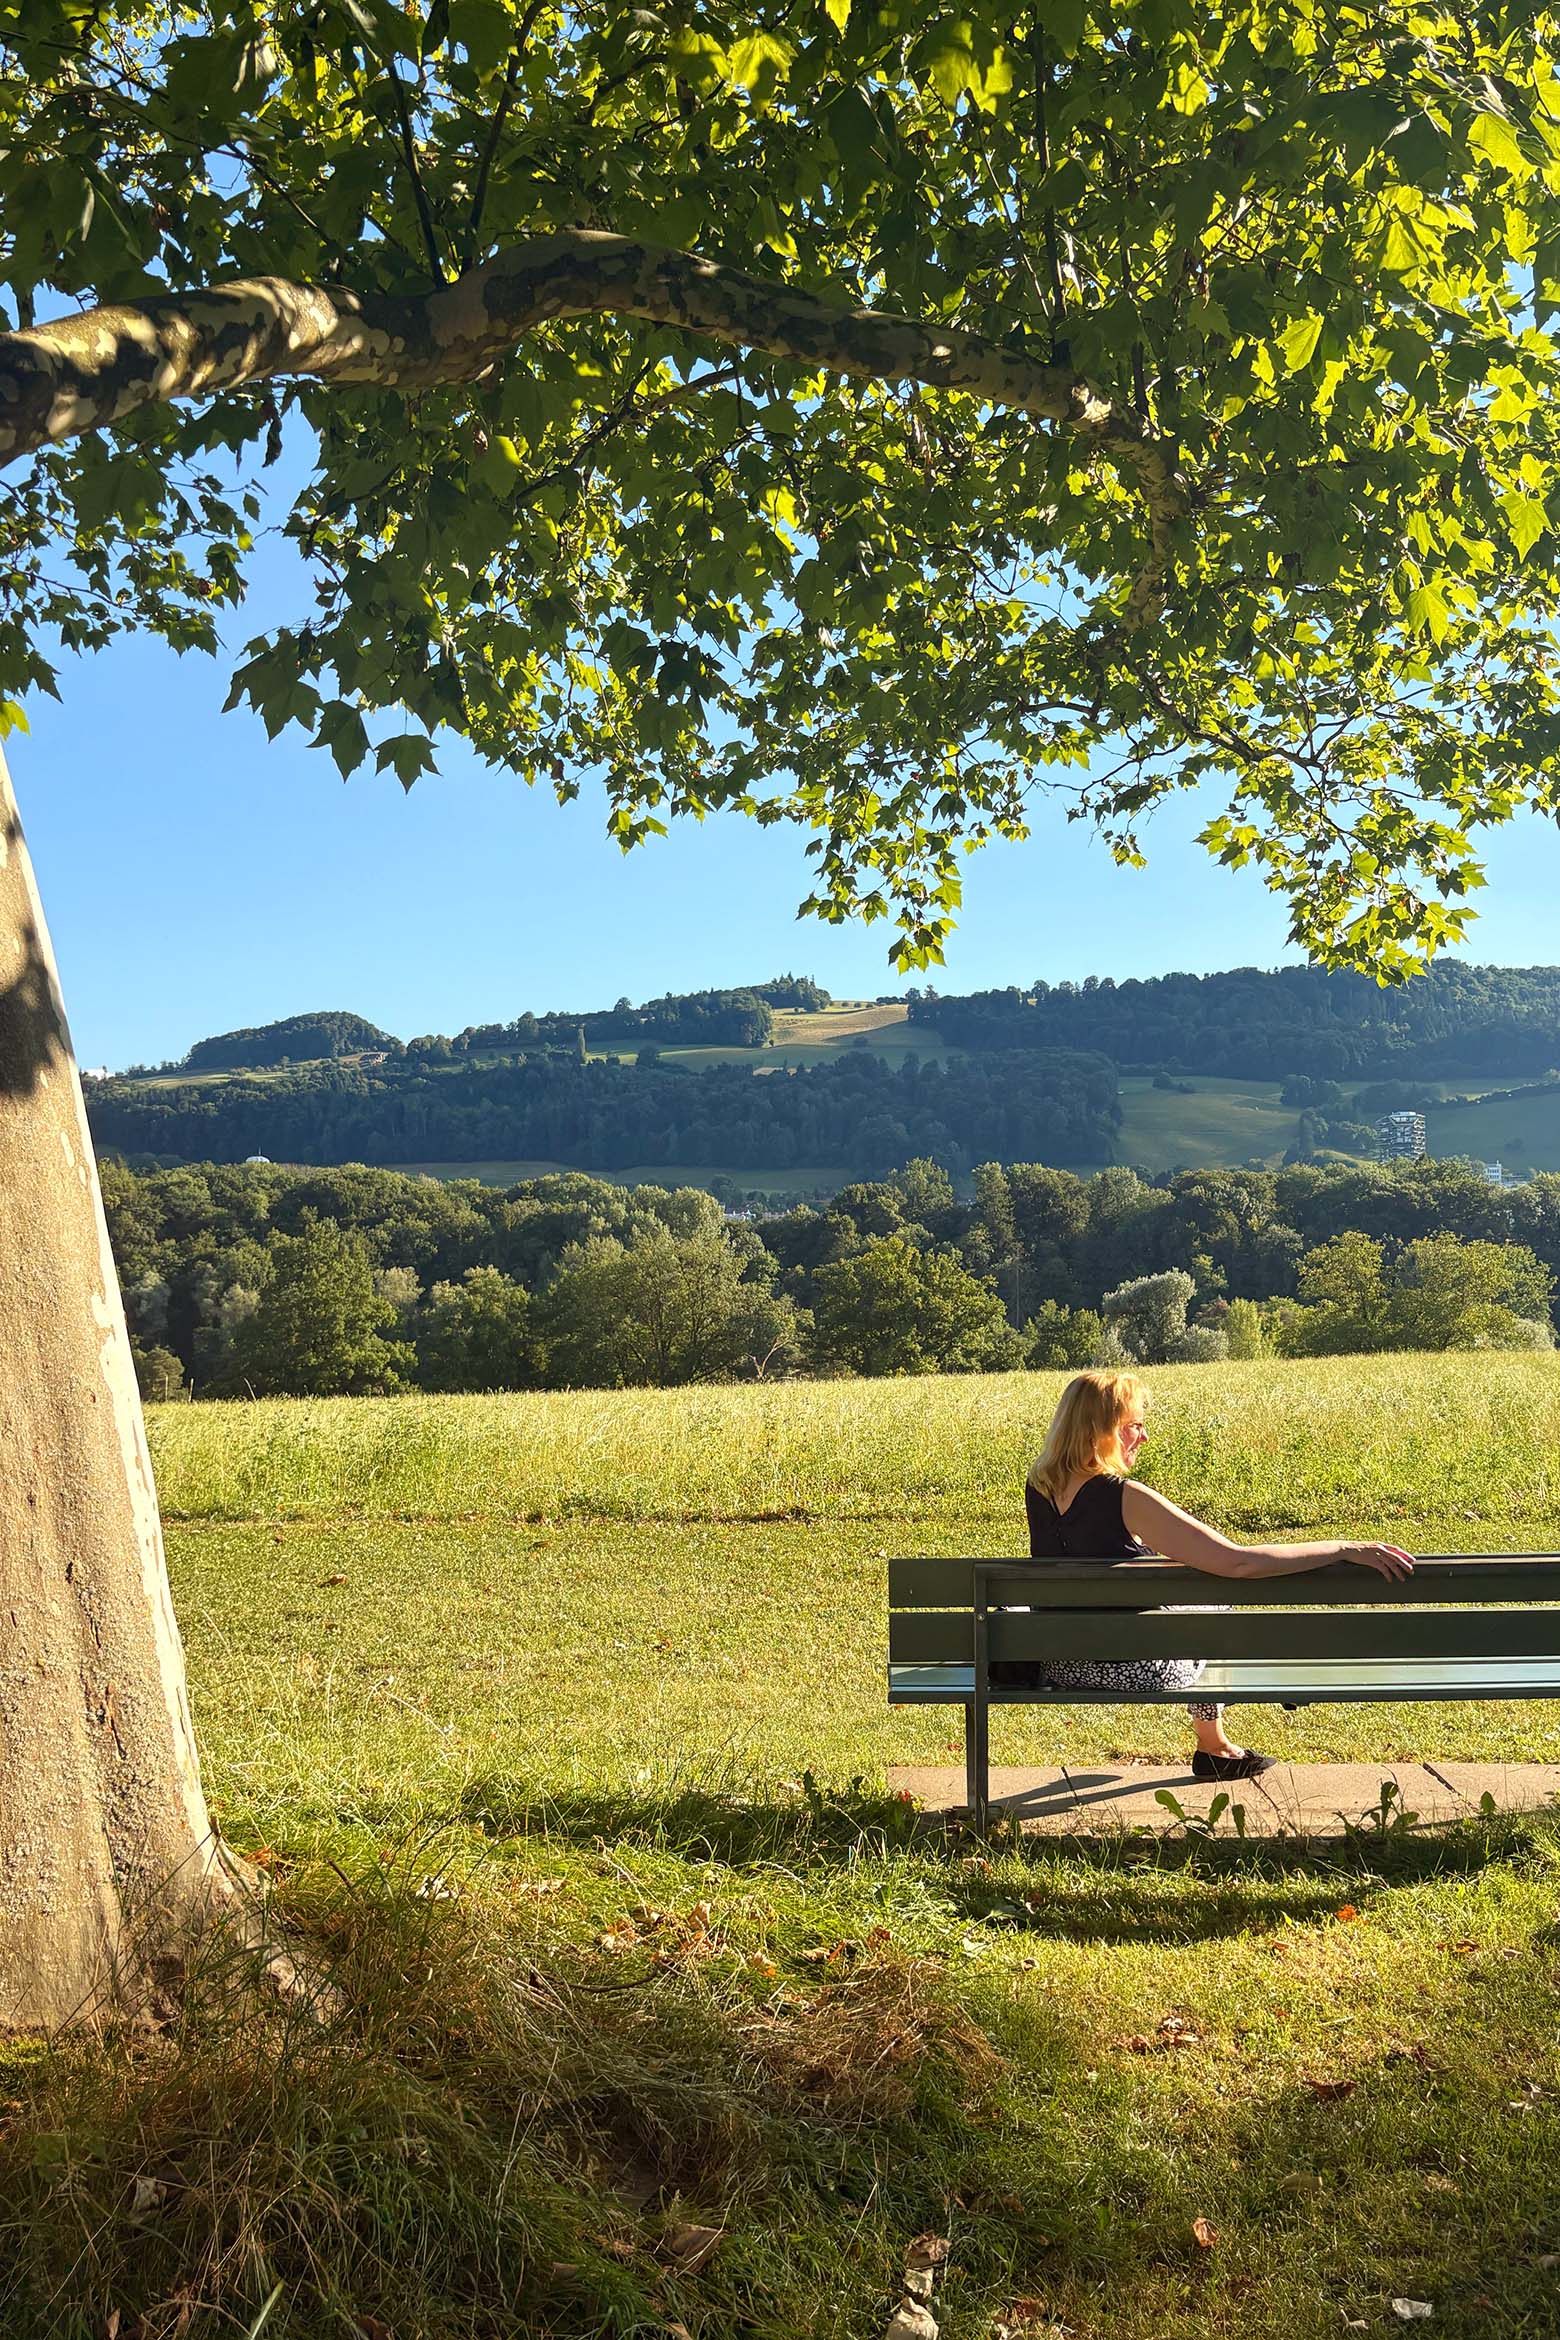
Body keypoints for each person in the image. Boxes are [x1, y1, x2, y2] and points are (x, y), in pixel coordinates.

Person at [1009, 1368, 1415, 1780]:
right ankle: (1214, 1745)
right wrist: (1343, 1548)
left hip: (1063, 1663)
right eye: (1133, 1426)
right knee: (1216, 1606)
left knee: (1200, 1610)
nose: (1143, 1438)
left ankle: (1216, 1745)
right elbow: (1238, 1562)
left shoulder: (1039, 1487)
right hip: (1138, 1670)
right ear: (1101, 1430)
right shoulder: (1125, 1498)